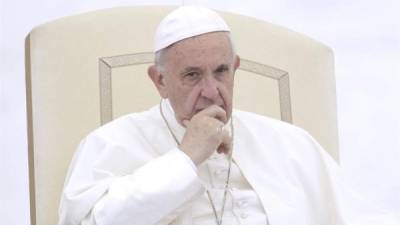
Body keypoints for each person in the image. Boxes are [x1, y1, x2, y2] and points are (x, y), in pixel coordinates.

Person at [58, 6, 398, 225]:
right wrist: (186, 158)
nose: (210, 91)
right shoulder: (111, 143)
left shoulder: (291, 143)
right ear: (159, 80)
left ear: (235, 68)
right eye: (192, 75)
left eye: (221, 71)